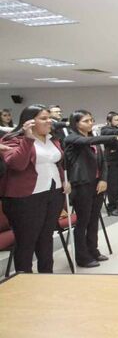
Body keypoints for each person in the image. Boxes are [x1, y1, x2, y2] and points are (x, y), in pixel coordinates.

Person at [0, 104, 70, 273]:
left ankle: (47, 275)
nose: (49, 122)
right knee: (27, 241)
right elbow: (17, 164)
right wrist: (28, 138)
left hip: (53, 193)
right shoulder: (13, 139)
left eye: (49, 118)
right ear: (29, 121)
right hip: (25, 197)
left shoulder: (52, 138)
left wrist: (64, 180)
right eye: (44, 118)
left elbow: (56, 161)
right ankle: (25, 279)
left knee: (46, 237)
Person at [65, 110, 118, 268]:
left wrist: (103, 179)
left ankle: (93, 250)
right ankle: (82, 256)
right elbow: (86, 142)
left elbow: (103, 161)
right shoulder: (71, 138)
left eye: (91, 120)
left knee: (94, 220)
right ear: (76, 123)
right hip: (82, 184)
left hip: (97, 183)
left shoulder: (92, 137)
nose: (90, 123)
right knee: (83, 221)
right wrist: (115, 137)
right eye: (86, 121)